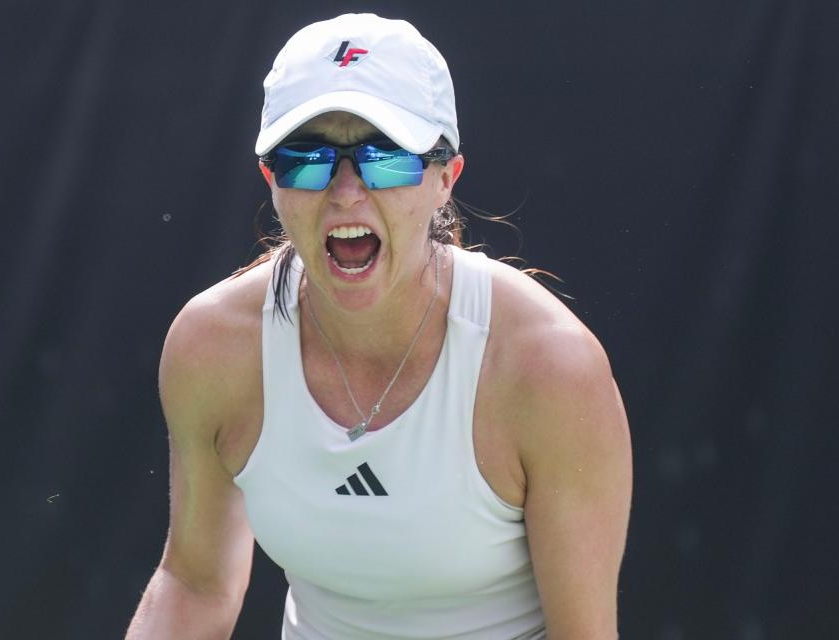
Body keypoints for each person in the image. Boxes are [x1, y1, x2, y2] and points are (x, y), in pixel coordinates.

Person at [125, 13, 631, 640]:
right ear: (271, 182)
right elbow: (195, 586)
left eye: (385, 158)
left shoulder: (550, 369)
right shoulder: (211, 347)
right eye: (306, 160)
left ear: (446, 179)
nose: (345, 193)